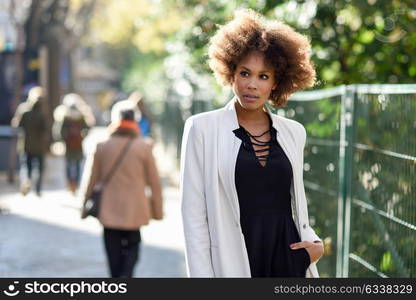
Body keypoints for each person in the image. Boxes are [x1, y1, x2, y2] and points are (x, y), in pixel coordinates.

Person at [180, 9, 324, 278]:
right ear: (231, 72)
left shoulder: (294, 132)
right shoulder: (202, 128)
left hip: (288, 261)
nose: (252, 85)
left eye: (264, 76)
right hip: (232, 259)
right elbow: (194, 218)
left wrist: (314, 246)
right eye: (245, 73)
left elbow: (295, 203)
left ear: (276, 82)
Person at [81, 108, 163, 278]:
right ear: (135, 122)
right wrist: (157, 211)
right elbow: (155, 183)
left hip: (109, 210)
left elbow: (91, 179)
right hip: (135, 211)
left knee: (113, 252)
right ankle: (126, 276)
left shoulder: (103, 146)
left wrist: (84, 205)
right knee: (133, 248)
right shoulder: (144, 147)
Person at [11, 86, 48, 196]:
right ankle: (38, 189)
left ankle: (26, 181)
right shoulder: (42, 112)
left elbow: (16, 125)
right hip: (39, 146)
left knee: (26, 167)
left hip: (26, 144)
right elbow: (45, 129)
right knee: (39, 168)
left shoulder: (23, 110)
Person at [55, 93, 95, 194]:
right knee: (77, 164)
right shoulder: (81, 115)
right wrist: (82, 137)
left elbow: (59, 131)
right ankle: (75, 184)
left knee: (68, 164)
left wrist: (63, 139)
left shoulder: (64, 116)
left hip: (68, 144)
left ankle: (70, 184)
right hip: (78, 144)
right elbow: (88, 128)